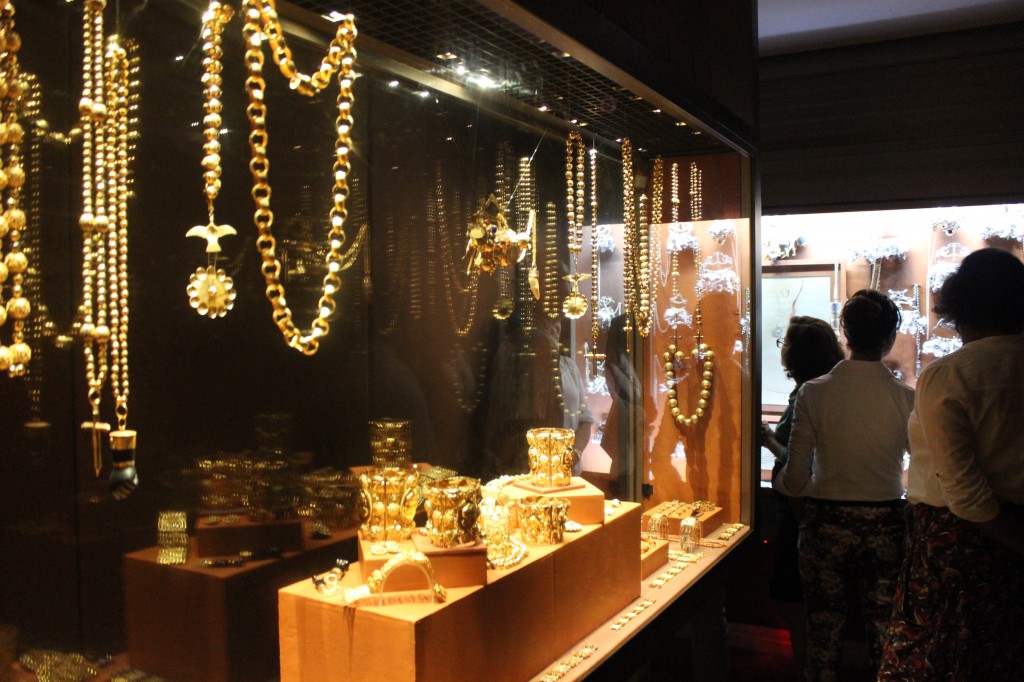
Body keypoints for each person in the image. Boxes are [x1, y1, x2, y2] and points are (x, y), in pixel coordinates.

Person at [880, 247, 1024, 680]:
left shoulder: (950, 374)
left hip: (957, 544)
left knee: (940, 658)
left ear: (963, 308)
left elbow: (964, 491)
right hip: (1006, 533)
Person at [774, 290, 914, 681]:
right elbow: (922, 471)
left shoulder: (814, 392)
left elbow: (795, 478)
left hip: (826, 524)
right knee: (885, 635)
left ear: (845, 333)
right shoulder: (906, 398)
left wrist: (784, 482)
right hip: (886, 523)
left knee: (823, 636)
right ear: (889, 337)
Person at [759, 316, 846, 667]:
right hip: (805, 503)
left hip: (799, 507)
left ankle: (808, 666)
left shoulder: (808, 395)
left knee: (796, 596)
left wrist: (768, 439)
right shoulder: (823, 390)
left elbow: (801, 462)